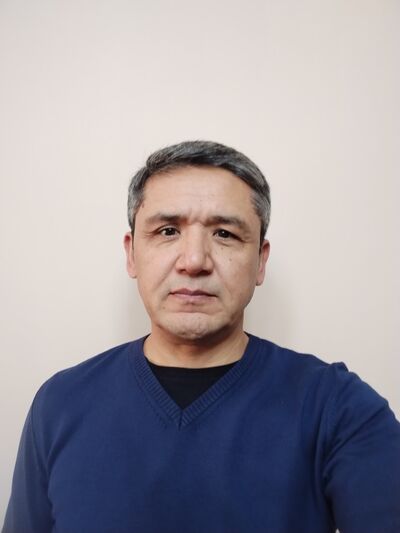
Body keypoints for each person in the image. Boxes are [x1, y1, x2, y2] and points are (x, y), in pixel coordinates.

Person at [3, 140, 400, 533]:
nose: (194, 261)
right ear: (131, 253)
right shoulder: (59, 405)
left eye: (224, 234)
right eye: (168, 230)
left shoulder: (339, 408)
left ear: (260, 261)